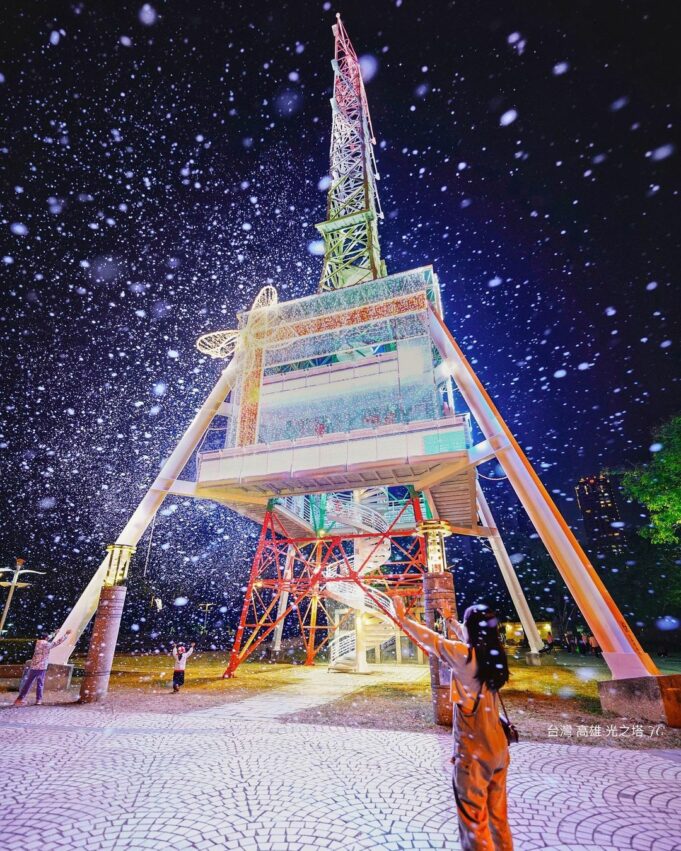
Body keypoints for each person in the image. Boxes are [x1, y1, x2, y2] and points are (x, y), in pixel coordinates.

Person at [392, 597, 513, 851]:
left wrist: (403, 619)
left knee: (473, 823)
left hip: (474, 752)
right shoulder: (494, 654)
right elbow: (469, 635)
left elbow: (433, 641)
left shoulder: (463, 655)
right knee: (498, 819)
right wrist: (450, 620)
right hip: (499, 749)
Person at [13, 629, 72, 706]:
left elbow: (48, 637)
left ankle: (19, 699)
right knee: (40, 684)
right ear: (46, 638)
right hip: (41, 667)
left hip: (33, 666)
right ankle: (38, 700)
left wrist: (54, 633)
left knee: (28, 683)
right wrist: (66, 634)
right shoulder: (46, 644)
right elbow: (57, 642)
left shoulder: (37, 642)